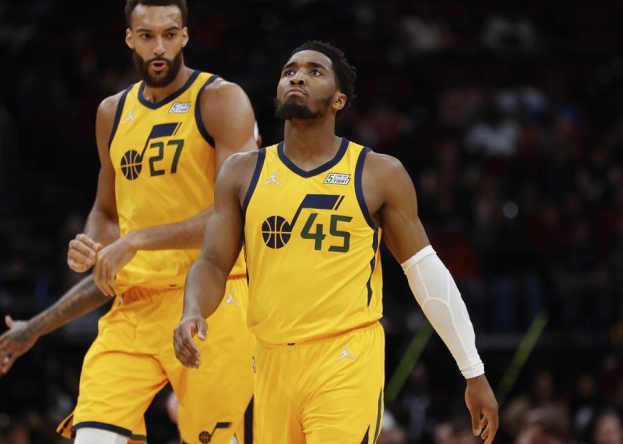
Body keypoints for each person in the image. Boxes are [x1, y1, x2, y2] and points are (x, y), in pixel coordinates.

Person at [173, 40, 499, 444]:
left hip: (345, 357)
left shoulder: (378, 173)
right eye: (289, 70)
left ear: (339, 100)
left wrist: (473, 371)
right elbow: (212, 262)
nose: (297, 76)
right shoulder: (241, 173)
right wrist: (192, 311)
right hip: (271, 359)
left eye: (314, 71)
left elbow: (426, 274)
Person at [0, 1, 257, 443]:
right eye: (147, 36)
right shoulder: (112, 111)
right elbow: (106, 212)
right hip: (132, 307)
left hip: (213, 304)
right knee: (93, 436)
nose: (159, 46)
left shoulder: (221, 100)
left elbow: (237, 214)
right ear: (130, 38)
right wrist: (92, 243)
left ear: (185, 35)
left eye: (169, 34)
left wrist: (138, 241)